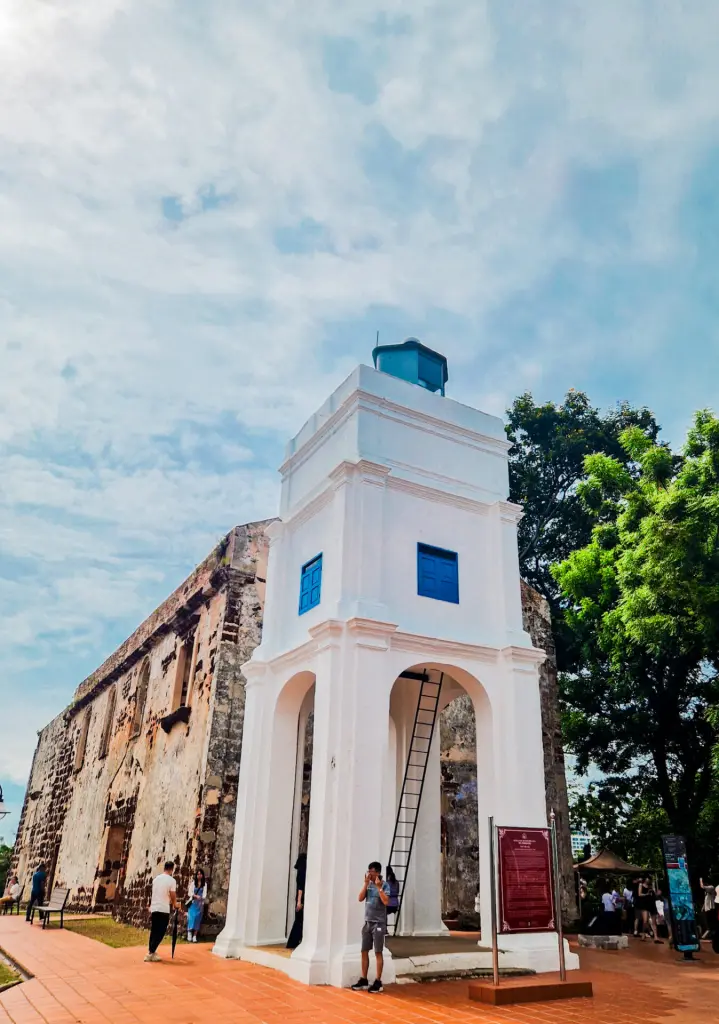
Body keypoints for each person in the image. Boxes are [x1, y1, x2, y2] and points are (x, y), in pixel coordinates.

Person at [351, 861, 390, 994]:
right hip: (367, 923)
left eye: (371, 872)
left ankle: (378, 981)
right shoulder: (368, 885)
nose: (369, 874)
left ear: (377, 872)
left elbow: (386, 901)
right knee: (364, 950)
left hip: (378, 924)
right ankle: (364, 979)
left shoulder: (385, 885)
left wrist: (379, 887)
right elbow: (360, 898)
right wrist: (366, 883)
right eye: (368, 871)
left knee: (378, 951)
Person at [145, 860, 178, 962]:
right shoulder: (171, 880)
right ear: (172, 869)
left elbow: (153, 893)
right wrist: (175, 904)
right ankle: (151, 952)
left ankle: (151, 952)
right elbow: (172, 894)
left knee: (154, 930)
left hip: (155, 907)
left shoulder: (156, 879)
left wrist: (150, 905)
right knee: (161, 931)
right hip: (163, 908)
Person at [286, 853, 307, 950]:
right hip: (301, 898)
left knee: (299, 920)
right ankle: (293, 942)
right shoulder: (302, 872)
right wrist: (299, 901)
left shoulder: (300, 872)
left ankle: (294, 942)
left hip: (300, 898)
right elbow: (300, 888)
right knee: (299, 921)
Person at [186, 868, 207, 943]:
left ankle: (195, 935)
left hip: (200, 904)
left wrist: (201, 898)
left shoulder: (204, 884)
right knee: (191, 917)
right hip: (193, 903)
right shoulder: (193, 883)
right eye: (198, 874)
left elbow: (204, 895)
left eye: (200, 874)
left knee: (198, 919)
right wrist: (195, 896)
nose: (199, 875)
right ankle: (189, 932)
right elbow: (189, 893)